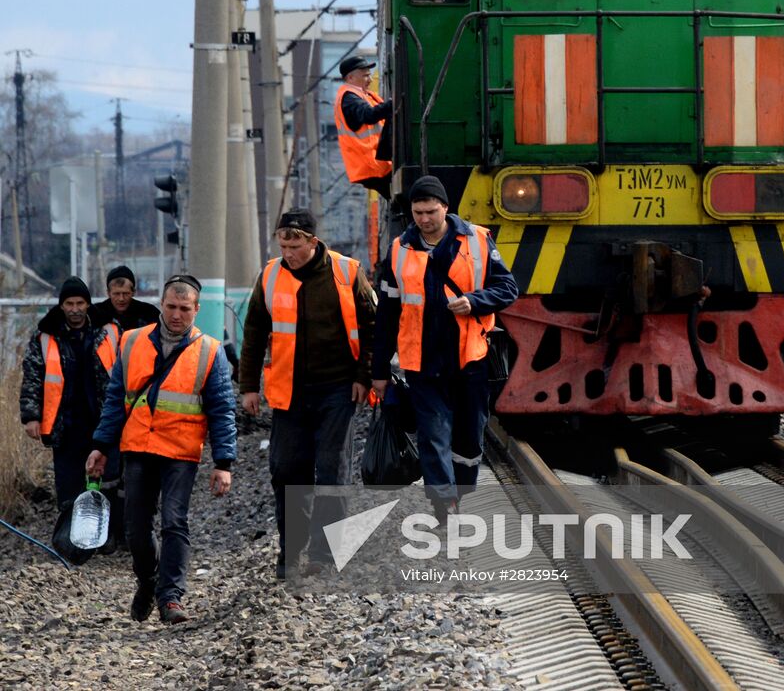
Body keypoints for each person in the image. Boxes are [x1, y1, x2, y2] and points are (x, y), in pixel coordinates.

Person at [86, 274, 236, 625]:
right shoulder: (132, 342)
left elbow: (222, 409)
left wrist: (223, 462)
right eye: (171, 306)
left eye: (185, 308)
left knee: (173, 521)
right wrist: (100, 446)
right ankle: (148, 580)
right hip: (138, 447)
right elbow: (115, 401)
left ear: (197, 310)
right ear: (161, 305)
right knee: (135, 528)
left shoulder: (211, 352)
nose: (177, 315)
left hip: (181, 453)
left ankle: (171, 598)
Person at [239, 208, 376, 580]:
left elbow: (370, 326)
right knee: (286, 471)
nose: (288, 252)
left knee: (332, 471)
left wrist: (364, 376)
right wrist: (248, 385)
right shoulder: (269, 276)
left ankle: (323, 555)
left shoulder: (346, 272)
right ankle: (290, 553)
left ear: (312, 242)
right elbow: (252, 333)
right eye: (283, 244)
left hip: (337, 389)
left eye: (295, 244)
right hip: (289, 392)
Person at [373, 175, 518, 521]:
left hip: (471, 359)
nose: (424, 219)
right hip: (422, 362)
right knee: (432, 434)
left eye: (431, 212)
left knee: (469, 438)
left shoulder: (478, 241)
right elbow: (386, 315)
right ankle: (444, 504)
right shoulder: (399, 250)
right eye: (418, 212)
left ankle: (461, 491)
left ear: (446, 209)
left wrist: (475, 301)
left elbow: (508, 288)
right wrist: (378, 370)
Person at [19, 276, 120, 512]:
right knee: (69, 484)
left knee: (107, 480)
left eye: (80, 303)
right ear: (61, 306)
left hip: (103, 420)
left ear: (88, 304)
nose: (75, 310)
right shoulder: (45, 336)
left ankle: (107, 535)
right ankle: (71, 541)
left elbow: (126, 373)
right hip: (65, 423)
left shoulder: (109, 330)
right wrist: (31, 416)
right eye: (69, 304)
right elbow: (32, 377)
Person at [333, 54, 392, 199]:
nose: (370, 80)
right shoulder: (350, 98)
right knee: (414, 201)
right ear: (351, 78)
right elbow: (369, 115)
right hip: (372, 164)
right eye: (365, 76)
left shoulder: (363, 96)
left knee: (407, 205)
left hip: (376, 163)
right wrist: (393, 103)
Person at [90, 265, 161, 333]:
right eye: (116, 294)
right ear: (108, 293)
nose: (121, 299)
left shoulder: (149, 313)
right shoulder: (96, 313)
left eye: (126, 293)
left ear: (133, 292)